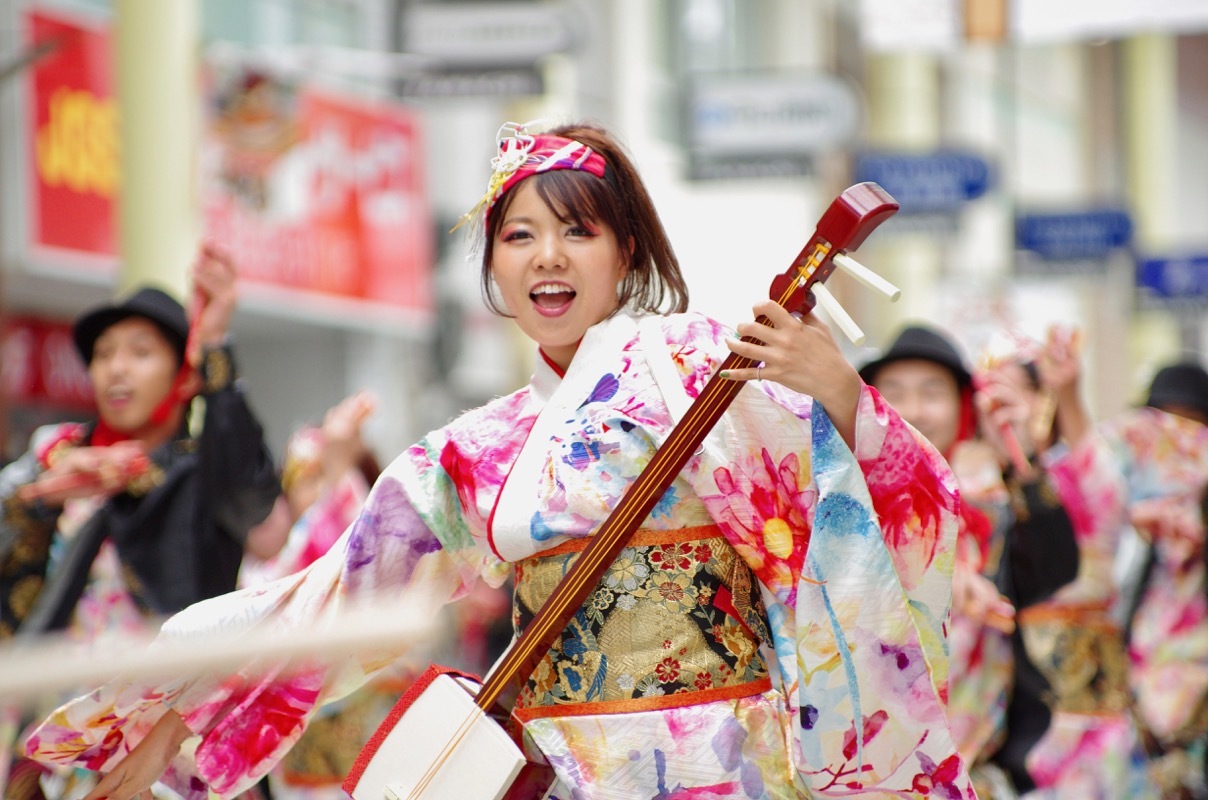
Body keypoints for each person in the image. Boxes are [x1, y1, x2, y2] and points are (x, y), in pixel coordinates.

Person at [24, 120, 974, 799]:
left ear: (624, 252)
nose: (546, 257)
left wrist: (841, 395)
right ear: (493, 268)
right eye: (519, 235)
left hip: (721, 761)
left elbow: (882, 523)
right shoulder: (469, 453)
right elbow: (320, 606)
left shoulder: (703, 369)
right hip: (551, 769)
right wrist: (163, 731)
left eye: (577, 231)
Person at [0, 246, 280, 798]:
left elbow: (253, 497)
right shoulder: (59, 455)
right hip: (65, 742)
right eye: (103, 354)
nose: (117, 368)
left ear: (184, 374)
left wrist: (217, 343)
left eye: (141, 352)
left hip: (174, 738)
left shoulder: (205, 471)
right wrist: (38, 489)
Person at [1094, 359, 1208, 797]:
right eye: (1160, 430)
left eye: (1189, 429)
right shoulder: (1119, 520)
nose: (1174, 448)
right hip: (1129, 725)